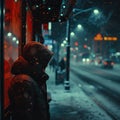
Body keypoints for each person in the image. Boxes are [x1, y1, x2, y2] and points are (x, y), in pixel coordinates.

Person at [4, 41, 53, 120]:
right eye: (43, 64)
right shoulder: (24, 82)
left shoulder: (28, 79)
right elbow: (23, 115)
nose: (44, 68)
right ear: (36, 62)